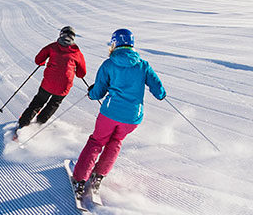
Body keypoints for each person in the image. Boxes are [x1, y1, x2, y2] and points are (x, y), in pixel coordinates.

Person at [71, 28, 165, 200]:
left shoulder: (109, 64)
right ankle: (98, 176)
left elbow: (98, 92)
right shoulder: (143, 65)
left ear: (115, 44)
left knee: (97, 142)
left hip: (110, 113)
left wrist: (91, 93)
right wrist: (161, 94)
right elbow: (157, 88)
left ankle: (80, 179)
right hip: (132, 118)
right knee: (115, 142)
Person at [17, 26, 87, 129]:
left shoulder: (52, 47)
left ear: (61, 35)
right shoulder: (77, 53)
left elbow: (38, 60)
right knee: (53, 104)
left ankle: (22, 125)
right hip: (64, 86)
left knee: (38, 102)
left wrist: (43, 62)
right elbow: (81, 74)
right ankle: (38, 123)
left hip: (48, 83)